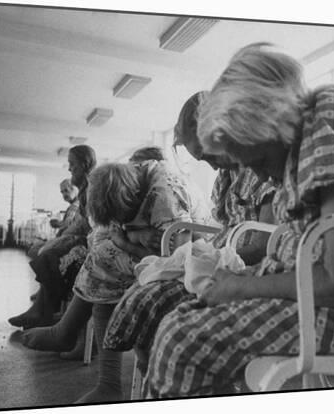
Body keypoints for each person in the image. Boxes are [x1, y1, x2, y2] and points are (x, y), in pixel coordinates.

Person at [145, 43, 334, 398]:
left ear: (271, 122)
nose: (263, 177)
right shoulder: (312, 126)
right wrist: (236, 282)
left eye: (259, 161)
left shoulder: (330, 121)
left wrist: (241, 287)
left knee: (182, 342)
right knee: (180, 318)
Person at [102, 91, 277, 377]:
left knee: (162, 304)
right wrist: (198, 256)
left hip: (247, 265)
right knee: (145, 287)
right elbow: (220, 229)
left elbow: (265, 242)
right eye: (201, 158)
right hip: (224, 255)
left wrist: (209, 258)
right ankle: (151, 372)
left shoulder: (261, 167)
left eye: (209, 154)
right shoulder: (225, 178)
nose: (212, 165)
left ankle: (163, 372)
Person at [20, 159, 199, 403]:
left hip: (194, 250)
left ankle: (92, 362)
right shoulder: (130, 178)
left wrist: (126, 241)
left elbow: (175, 260)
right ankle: (73, 340)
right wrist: (133, 233)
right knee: (101, 250)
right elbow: (106, 230)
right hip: (154, 245)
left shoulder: (166, 201)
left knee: (106, 258)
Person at [8, 145, 95, 330]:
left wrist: (64, 237)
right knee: (48, 252)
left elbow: (87, 224)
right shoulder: (85, 189)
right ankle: (40, 310)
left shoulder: (92, 189)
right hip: (82, 237)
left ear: (84, 164)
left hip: (90, 241)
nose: (70, 168)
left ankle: (43, 311)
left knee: (49, 254)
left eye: (72, 164)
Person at [27, 179, 80, 260]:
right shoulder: (73, 205)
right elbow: (69, 223)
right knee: (34, 249)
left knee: (34, 251)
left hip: (67, 241)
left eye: (66, 190)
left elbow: (68, 225)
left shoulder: (75, 206)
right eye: (62, 192)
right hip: (63, 239)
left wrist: (58, 224)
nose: (64, 194)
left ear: (75, 189)